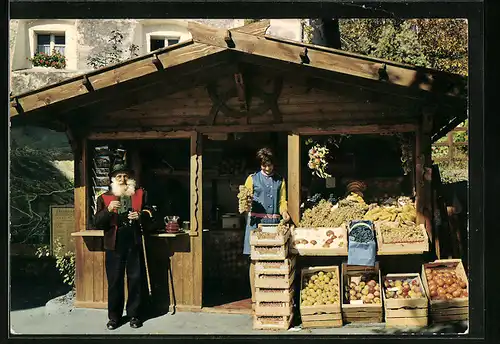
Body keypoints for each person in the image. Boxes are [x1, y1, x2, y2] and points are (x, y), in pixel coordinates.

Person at [94, 164, 152, 330]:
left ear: (131, 178)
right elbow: (96, 223)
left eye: (125, 176)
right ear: (113, 179)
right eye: (119, 176)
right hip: (114, 244)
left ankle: (135, 315)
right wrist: (108, 210)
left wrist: (140, 216)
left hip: (134, 241)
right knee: (115, 281)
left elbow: (151, 213)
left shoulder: (140, 194)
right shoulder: (104, 197)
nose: (123, 179)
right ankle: (114, 317)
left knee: (135, 279)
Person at [242, 147, 290, 307]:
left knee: (272, 259)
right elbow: (245, 199)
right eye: (264, 165)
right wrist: (245, 206)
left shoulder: (280, 180)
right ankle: (255, 297)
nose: (267, 168)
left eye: (270, 165)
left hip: (274, 224)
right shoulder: (252, 179)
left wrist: (284, 211)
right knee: (254, 259)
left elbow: (283, 200)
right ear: (260, 165)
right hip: (256, 224)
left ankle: (271, 295)